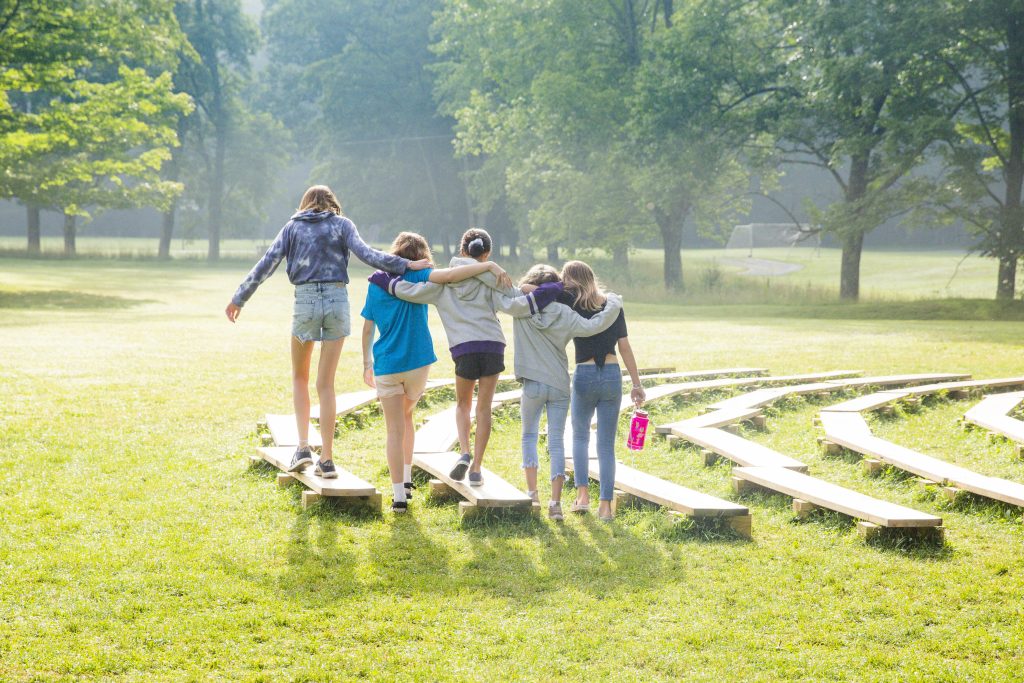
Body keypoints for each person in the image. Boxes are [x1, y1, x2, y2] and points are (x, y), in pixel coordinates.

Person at [225, 185, 429, 479]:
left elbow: (266, 265)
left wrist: (239, 298)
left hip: (305, 302)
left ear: (305, 203)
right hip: (337, 300)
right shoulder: (342, 225)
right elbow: (368, 255)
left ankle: (304, 447)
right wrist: (407, 264)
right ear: (332, 202)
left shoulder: (291, 227)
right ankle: (328, 459)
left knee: (300, 376)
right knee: (326, 383)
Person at [368, 228, 562, 487]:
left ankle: (464, 453)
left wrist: (386, 281)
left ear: (462, 251)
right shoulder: (491, 280)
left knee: (463, 405)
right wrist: (551, 289)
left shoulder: (444, 284)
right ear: (487, 254)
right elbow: (516, 303)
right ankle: (477, 468)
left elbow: (409, 292)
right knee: (484, 409)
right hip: (493, 346)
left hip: (464, 349)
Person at [360, 232, 511, 513]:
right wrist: (491, 268)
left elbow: (371, 324)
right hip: (425, 360)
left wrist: (366, 364)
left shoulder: (382, 282)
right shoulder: (428, 274)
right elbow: (459, 280)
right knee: (416, 415)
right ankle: (452, 470)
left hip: (388, 363)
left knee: (397, 427)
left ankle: (400, 496)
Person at [513, 264, 622, 520]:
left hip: (552, 379)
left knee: (545, 436)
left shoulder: (541, 304)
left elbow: (521, 290)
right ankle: (575, 504)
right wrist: (614, 304)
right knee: (572, 441)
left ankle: (547, 496)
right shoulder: (585, 308)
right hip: (580, 379)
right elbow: (607, 335)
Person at [559, 260, 645, 522]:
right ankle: (605, 506)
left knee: (580, 437)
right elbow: (625, 347)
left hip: (583, 374)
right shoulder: (612, 305)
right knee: (606, 445)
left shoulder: (570, 303)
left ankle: (582, 496)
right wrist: (637, 384)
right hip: (611, 374)